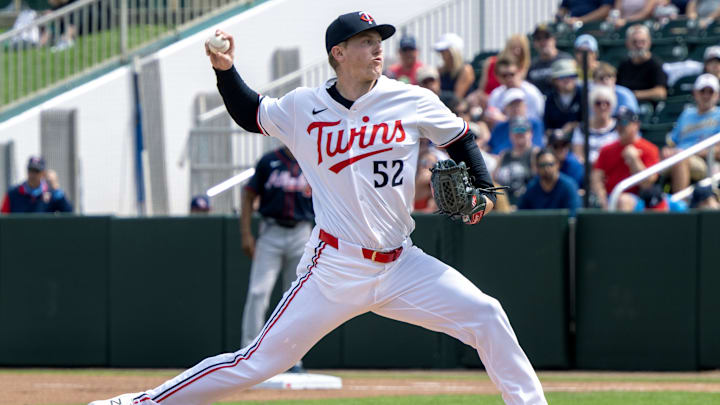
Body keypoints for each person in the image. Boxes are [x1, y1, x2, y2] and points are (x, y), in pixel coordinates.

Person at [89, 11, 547, 405]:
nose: (377, 49)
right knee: (257, 362)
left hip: (401, 263)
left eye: (379, 42)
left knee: (486, 314)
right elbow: (251, 113)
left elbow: (461, 137)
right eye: (365, 42)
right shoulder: (303, 107)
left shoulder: (411, 98)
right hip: (334, 267)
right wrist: (226, 70)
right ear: (338, 53)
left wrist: (485, 189)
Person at [240, 146, 314, 374]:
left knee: (296, 297)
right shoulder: (269, 161)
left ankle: (293, 359)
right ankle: (248, 353)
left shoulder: (312, 157)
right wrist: (245, 233)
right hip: (271, 231)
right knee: (257, 292)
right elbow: (248, 194)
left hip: (302, 231)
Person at [591, 107, 660, 210]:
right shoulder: (606, 149)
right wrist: (602, 199)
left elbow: (647, 184)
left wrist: (634, 160)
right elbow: (596, 178)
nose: (620, 127)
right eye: (617, 122)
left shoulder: (650, 149)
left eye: (624, 122)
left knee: (623, 200)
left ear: (636, 125)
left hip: (641, 200)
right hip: (610, 198)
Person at [663, 74, 720, 192]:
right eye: (702, 91)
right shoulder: (687, 114)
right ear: (695, 93)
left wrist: (696, 152)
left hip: (707, 162)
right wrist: (667, 150)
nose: (706, 95)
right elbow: (672, 142)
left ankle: (680, 207)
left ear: (717, 95)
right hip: (679, 155)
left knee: (680, 159)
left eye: (710, 92)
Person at [518, 149, 580, 215]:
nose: (546, 168)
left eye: (550, 164)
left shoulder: (568, 186)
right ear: (537, 167)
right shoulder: (531, 188)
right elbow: (521, 215)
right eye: (542, 165)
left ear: (557, 165)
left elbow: (573, 215)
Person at [493, 117, 540, 207]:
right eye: (516, 130)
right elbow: (494, 181)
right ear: (510, 135)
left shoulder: (535, 153)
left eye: (523, 129)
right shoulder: (504, 155)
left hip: (525, 204)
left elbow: (537, 183)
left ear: (531, 133)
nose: (519, 133)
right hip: (503, 204)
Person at [1, 156, 73, 213]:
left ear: (43, 173)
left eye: (36, 171)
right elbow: (3, 218)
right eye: (30, 170)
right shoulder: (13, 193)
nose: (33, 174)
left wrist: (57, 191)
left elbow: (69, 214)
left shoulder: (52, 194)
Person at [616, 24, 668, 103]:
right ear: (627, 44)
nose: (639, 45)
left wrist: (633, 95)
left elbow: (661, 92)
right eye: (635, 42)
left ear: (649, 42)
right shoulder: (624, 64)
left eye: (642, 42)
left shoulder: (655, 64)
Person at [487, 56, 545, 124]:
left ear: (519, 72)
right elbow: (492, 117)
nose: (508, 78)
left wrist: (505, 120)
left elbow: (535, 121)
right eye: (504, 75)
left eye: (512, 74)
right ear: (498, 77)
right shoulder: (496, 94)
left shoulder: (532, 93)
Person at [489, 88, 545, 155]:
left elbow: (537, 148)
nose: (516, 108)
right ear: (505, 108)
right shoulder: (499, 127)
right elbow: (490, 147)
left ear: (525, 106)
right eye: (512, 105)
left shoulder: (535, 124)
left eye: (519, 105)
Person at [572, 85, 620, 163]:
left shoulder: (619, 127)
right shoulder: (581, 128)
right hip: (587, 169)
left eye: (607, 103)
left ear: (612, 106)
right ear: (592, 106)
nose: (603, 107)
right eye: (598, 103)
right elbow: (577, 154)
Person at [477, 34, 532, 99]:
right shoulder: (491, 63)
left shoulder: (524, 68)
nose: (517, 51)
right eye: (513, 48)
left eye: (520, 49)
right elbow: (481, 89)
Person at [527, 24, 572, 97]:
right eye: (538, 38)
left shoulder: (566, 60)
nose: (542, 42)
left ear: (554, 39)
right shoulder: (532, 65)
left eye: (546, 37)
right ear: (534, 43)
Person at [543, 58, 582, 136]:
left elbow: (590, 121)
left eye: (571, 76)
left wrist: (573, 126)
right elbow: (546, 126)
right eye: (561, 77)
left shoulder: (583, 94)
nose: (567, 80)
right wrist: (556, 133)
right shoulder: (550, 98)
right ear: (554, 80)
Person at [434, 32, 476, 100]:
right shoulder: (440, 70)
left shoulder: (466, 70)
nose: (441, 54)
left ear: (452, 52)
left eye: (444, 50)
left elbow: (457, 97)